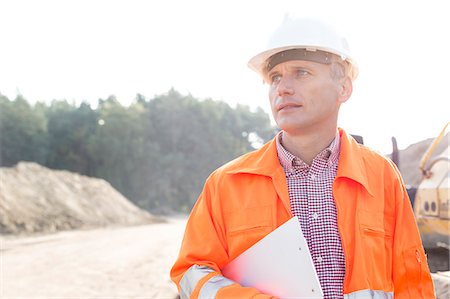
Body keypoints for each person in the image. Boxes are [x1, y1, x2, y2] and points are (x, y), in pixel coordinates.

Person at [170, 17, 435, 299]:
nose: (282, 88)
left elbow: (411, 281)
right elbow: (191, 271)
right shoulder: (226, 184)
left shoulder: (381, 176)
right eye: (275, 78)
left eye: (302, 72)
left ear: (343, 88)